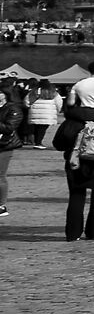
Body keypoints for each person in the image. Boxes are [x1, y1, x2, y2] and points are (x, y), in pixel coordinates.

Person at [59, 88, 94, 243]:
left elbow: (58, 143)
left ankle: (73, 233)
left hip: (76, 162)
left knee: (76, 197)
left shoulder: (72, 120)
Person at [0, 76, 24, 217]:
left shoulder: (13, 109)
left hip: (4, 145)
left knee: (0, 175)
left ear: (4, 95)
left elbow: (9, 127)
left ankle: (1, 205)